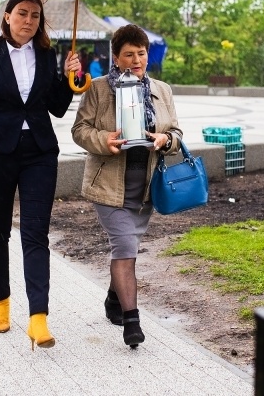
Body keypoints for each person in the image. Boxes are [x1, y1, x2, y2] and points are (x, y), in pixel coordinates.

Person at [0, 0, 81, 349]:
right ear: (7, 16)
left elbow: (57, 108)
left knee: (36, 234)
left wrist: (69, 78)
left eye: (34, 15)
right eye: (22, 14)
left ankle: (38, 318)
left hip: (39, 154)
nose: (28, 21)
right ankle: (1, 302)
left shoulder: (47, 53)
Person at [71, 24, 183, 349]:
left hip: (145, 187)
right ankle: (132, 322)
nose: (136, 59)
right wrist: (103, 140)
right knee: (125, 248)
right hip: (108, 185)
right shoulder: (100, 89)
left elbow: (176, 133)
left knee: (127, 247)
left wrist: (165, 139)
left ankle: (112, 298)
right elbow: (80, 130)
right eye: (128, 54)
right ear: (116, 57)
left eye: (141, 53)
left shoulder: (162, 90)